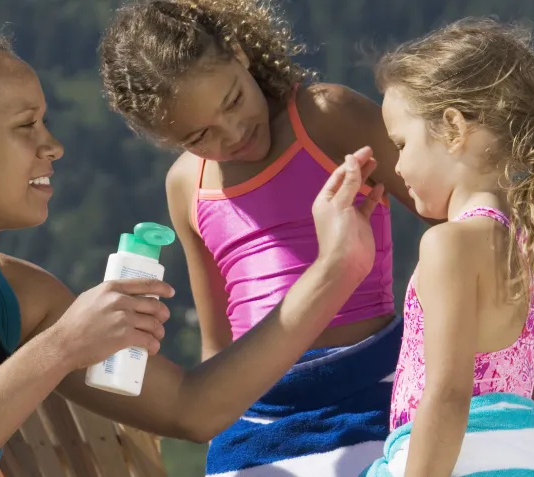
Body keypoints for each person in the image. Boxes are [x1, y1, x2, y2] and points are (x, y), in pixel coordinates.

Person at [0, 17, 386, 477]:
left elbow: (197, 409)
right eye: (25, 125)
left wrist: (332, 274)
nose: (52, 145)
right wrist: (62, 346)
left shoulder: (21, 296)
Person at [98, 0, 427, 475]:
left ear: (239, 53)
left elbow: (444, 209)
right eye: (198, 136)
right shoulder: (186, 185)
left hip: (371, 380)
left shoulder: (324, 117)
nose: (231, 133)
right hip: (256, 414)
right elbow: (217, 344)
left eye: (232, 100)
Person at [366, 17, 534, 476]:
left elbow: (448, 392)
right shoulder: (533, 252)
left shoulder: (448, 244)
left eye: (401, 144)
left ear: (454, 128)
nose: (396, 165)